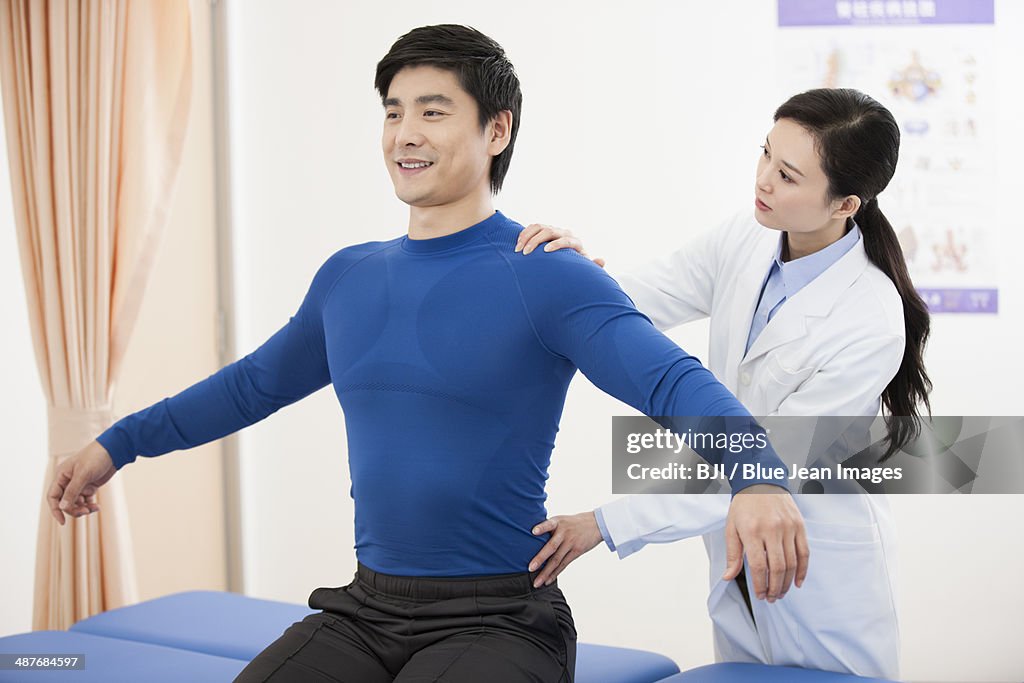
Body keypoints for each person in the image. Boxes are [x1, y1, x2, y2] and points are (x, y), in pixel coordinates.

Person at [45, 25, 809, 683]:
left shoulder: (546, 274)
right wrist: (118, 443)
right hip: (365, 607)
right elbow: (249, 387)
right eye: (393, 112)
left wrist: (760, 475)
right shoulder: (349, 276)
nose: (405, 133)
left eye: (433, 112)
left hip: (503, 616)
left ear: (496, 131)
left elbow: (671, 380)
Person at [516, 88, 931, 679]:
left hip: (817, 562)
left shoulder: (870, 319)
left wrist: (603, 525)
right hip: (738, 547)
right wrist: (566, 276)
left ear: (845, 203)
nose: (763, 180)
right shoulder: (746, 236)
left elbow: (765, 463)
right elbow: (637, 300)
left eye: (787, 175)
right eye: (765, 154)